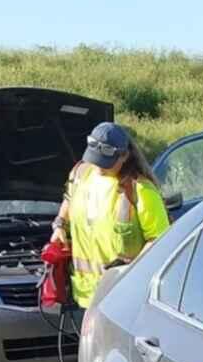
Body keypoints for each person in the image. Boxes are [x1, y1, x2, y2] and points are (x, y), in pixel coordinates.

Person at [51, 122, 169, 310]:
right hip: (82, 296)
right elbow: (68, 198)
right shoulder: (81, 173)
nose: (98, 166)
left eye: (105, 162)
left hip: (121, 299)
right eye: (94, 159)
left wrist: (132, 268)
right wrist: (59, 225)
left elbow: (160, 240)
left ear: (124, 156)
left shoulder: (141, 190)